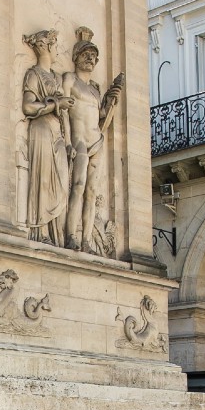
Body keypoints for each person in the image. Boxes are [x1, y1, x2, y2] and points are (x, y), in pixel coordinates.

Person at [62, 26, 123, 251]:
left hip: (97, 141)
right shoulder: (69, 79)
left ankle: (86, 240)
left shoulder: (96, 91)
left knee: (91, 192)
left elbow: (102, 119)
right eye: (86, 55)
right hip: (78, 141)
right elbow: (63, 113)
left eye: (94, 57)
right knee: (77, 187)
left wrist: (112, 101)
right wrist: (67, 142)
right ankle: (71, 236)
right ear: (76, 57)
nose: (90, 59)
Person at [21, 28, 71, 247]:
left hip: (57, 132)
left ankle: (57, 234)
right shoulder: (33, 74)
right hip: (40, 129)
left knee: (61, 182)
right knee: (42, 179)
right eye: (54, 45)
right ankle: (41, 231)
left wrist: (69, 142)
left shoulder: (57, 78)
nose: (57, 49)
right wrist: (54, 104)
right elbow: (28, 106)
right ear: (47, 47)